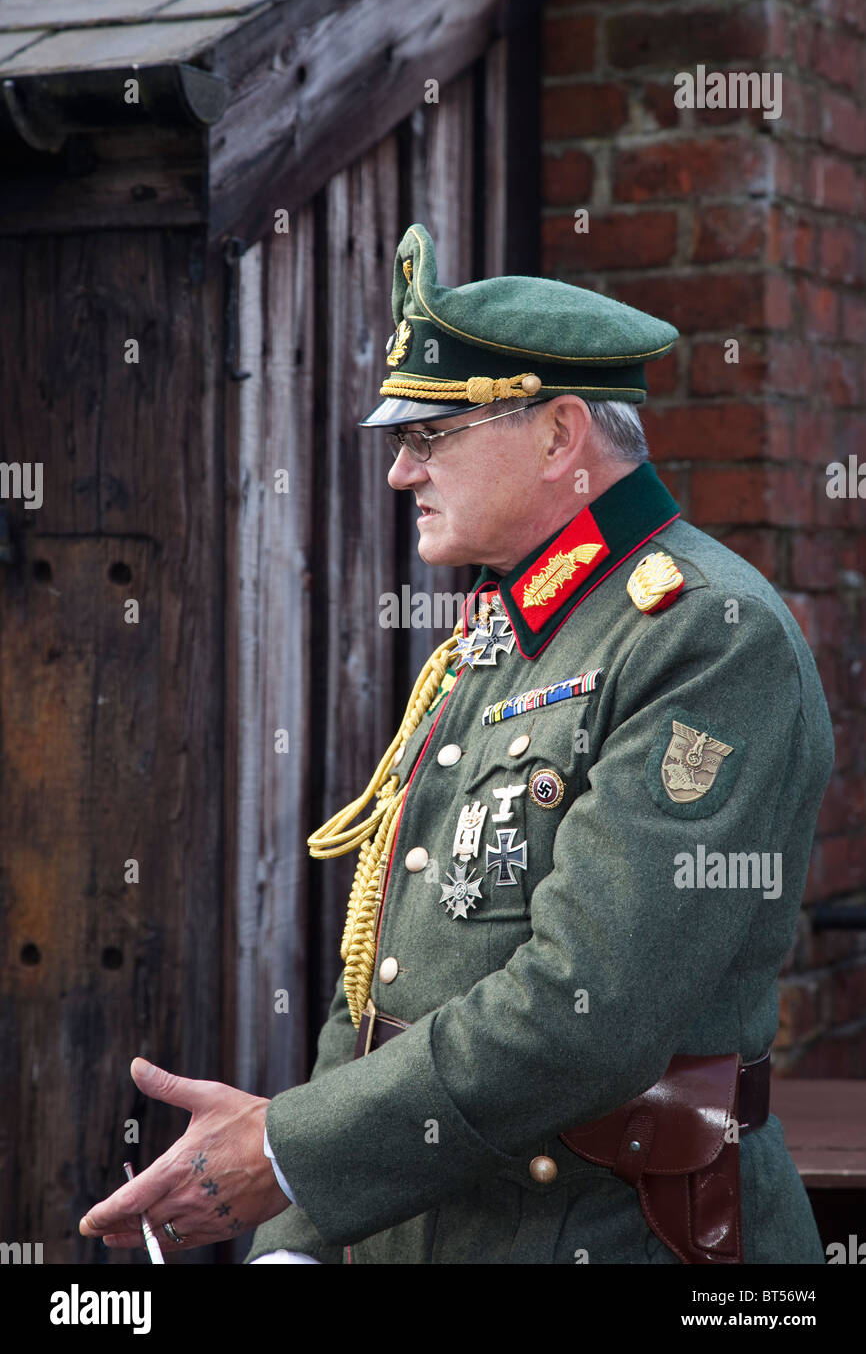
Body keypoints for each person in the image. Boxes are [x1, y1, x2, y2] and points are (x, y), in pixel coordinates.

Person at [80, 223, 833, 1265]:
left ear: (560, 434)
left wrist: (286, 1153)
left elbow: (588, 1010)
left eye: (428, 436)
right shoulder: (500, 629)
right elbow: (381, 978)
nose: (399, 471)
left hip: (612, 1233)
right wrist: (299, 1238)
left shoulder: (703, 633)